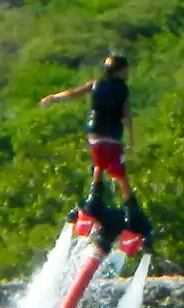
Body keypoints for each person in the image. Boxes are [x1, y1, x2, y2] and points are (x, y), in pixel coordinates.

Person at [39, 54, 153, 250]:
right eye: (125, 70)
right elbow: (126, 115)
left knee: (99, 165)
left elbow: (72, 93)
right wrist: (132, 137)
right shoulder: (121, 90)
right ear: (118, 71)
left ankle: (94, 199)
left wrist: (52, 98)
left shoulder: (94, 84)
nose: (128, 73)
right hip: (111, 138)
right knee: (119, 173)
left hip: (94, 137)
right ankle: (131, 209)